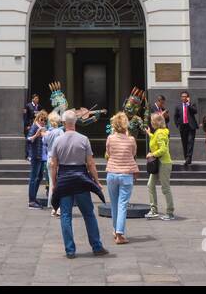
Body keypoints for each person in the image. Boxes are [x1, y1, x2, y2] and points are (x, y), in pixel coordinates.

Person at [48, 109, 109, 258]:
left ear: (64, 123)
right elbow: (90, 163)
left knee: (66, 216)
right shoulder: (84, 139)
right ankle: (97, 246)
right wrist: (96, 181)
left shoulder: (58, 140)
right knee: (88, 214)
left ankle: (70, 250)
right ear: (75, 123)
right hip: (81, 178)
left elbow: (54, 165)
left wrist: (55, 182)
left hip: (64, 179)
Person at [104, 111, 138, 244]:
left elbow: (108, 153)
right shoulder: (131, 140)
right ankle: (119, 234)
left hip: (111, 173)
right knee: (122, 204)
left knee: (114, 204)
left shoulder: (110, 138)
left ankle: (115, 229)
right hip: (126, 174)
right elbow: (133, 153)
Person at [146, 111, 175, 220]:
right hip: (159, 163)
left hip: (164, 163)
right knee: (150, 185)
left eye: (152, 121)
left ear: (156, 122)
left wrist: (152, 154)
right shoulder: (159, 132)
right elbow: (157, 142)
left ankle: (170, 212)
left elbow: (163, 149)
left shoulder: (161, 133)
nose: (151, 123)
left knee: (165, 188)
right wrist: (150, 134)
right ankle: (154, 210)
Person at [27, 110, 49, 208]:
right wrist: (36, 135)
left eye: (45, 120)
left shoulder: (42, 128)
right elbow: (28, 139)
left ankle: (34, 198)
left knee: (39, 177)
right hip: (36, 156)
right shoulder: (35, 126)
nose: (43, 121)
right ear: (38, 118)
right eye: (42, 119)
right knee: (34, 178)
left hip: (41, 156)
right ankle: (31, 201)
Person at [43, 111, 64, 216]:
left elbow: (44, 142)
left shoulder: (47, 133)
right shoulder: (60, 132)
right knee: (59, 184)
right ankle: (59, 207)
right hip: (58, 160)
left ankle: (53, 207)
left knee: (52, 183)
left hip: (49, 159)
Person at [175, 90, 199, 168]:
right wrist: (177, 124)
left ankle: (188, 158)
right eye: (182, 96)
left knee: (190, 142)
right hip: (183, 127)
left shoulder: (191, 104)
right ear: (181, 98)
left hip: (191, 126)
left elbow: (195, 111)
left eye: (185, 96)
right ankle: (187, 158)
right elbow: (176, 116)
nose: (184, 98)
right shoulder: (178, 106)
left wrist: (188, 104)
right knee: (184, 143)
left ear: (188, 98)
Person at [23, 94, 42, 160]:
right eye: (36, 98)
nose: (37, 100)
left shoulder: (39, 106)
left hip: (37, 125)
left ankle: (35, 154)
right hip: (30, 125)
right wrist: (26, 125)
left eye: (38, 99)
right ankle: (28, 155)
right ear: (33, 99)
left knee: (36, 139)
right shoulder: (28, 106)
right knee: (29, 139)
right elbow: (25, 117)